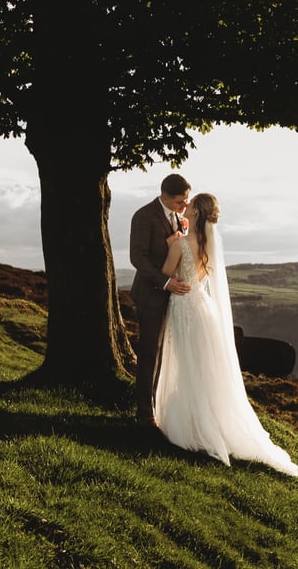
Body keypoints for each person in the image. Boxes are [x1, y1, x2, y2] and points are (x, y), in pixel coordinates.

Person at [155, 193, 298, 476]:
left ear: (195, 212)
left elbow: (165, 273)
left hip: (184, 308)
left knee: (186, 365)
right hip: (204, 309)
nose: (187, 207)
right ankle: (208, 419)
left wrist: (171, 243)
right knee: (203, 368)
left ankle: (192, 424)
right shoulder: (209, 245)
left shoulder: (181, 244)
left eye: (191, 204)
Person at [129, 173, 191, 428]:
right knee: (149, 353)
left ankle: (162, 405)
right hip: (151, 294)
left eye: (186, 200)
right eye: (180, 201)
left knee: (167, 352)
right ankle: (145, 412)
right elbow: (137, 257)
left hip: (174, 298)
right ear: (165, 197)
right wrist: (165, 282)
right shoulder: (144, 216)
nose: (185, 205)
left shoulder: (178, 217)